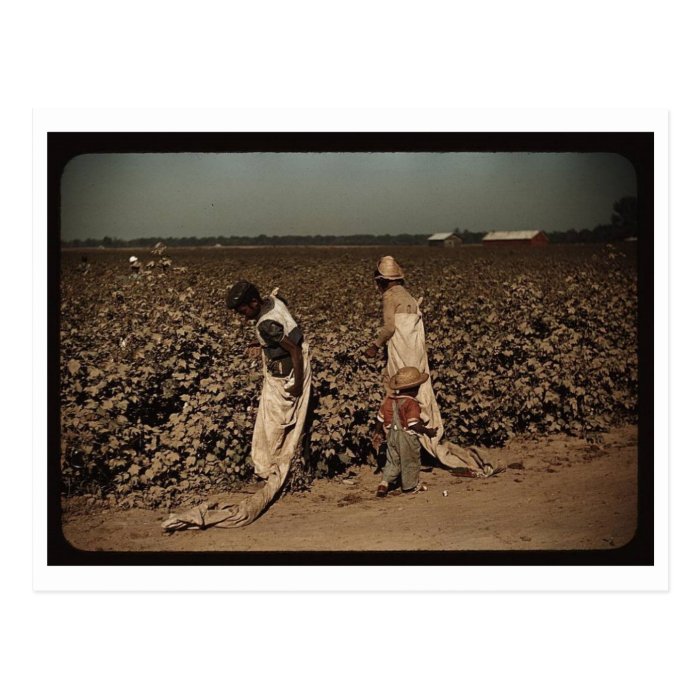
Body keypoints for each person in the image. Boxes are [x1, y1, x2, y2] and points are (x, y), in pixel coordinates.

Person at [162, 280, 311, 531]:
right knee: (280, 424)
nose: (242, 317)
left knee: (275, 426)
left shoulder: (266, 323)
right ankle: (280, 466)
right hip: (293, 368)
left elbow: (293, 351)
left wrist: (295, 383)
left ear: (254, 303)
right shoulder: (274, 302)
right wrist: (263, 345)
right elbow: (290, 334)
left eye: (243, 310)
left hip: (287, 377)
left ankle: (274, 472)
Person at [365, 255, 501, 477]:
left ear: (383, 281)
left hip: (402, 353)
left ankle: (404, 455)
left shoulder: (390, 296)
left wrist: (373, 346)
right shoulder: (407, 295)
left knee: (398, 396)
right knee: (418, 395)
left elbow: (389, 328)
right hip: (416, 355)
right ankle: (426, 443)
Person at [372, 366, 437, 497]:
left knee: (392, 460)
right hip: (406, 437)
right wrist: (427, 431)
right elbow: (413, 424)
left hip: (391, 436)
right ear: (415, 388)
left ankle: (384, 483)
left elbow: (380, 419)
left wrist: (377, 432)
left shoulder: (389, 400)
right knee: (410, 461)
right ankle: (410, 486)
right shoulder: (411, 403)